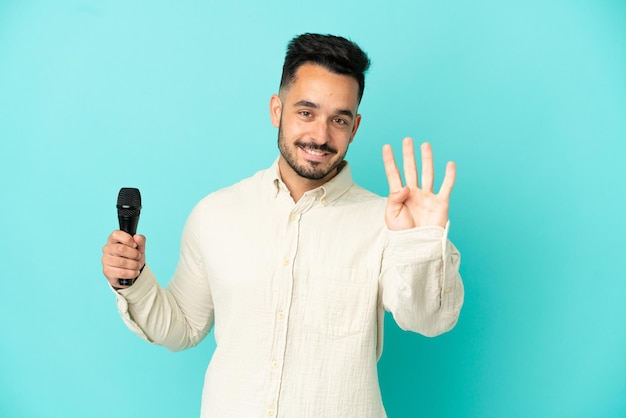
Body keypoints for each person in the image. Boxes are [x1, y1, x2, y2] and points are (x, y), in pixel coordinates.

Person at [101, 33, 464, 418]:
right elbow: (183, 326)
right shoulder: (216, 213)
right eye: (306, 112)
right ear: (277, 109)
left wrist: (421, 243)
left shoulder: (389, 223)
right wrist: (134, 280)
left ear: (354, 127)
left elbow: (427, 319)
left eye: (338, 120)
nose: (320, 136)